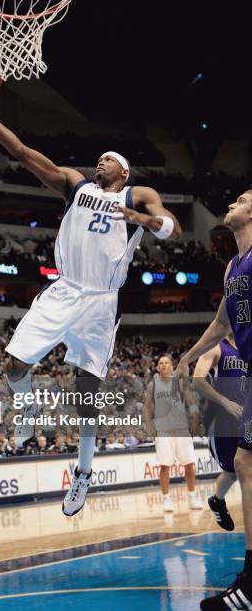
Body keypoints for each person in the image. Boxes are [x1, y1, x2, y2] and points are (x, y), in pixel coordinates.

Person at [0, 84, 182, 517]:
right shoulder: (74, 185)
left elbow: (170, 224)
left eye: (109, 159)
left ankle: (83, 472)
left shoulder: (135, 195)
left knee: (86, 393)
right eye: (99, 158)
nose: (100, 161)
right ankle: (28, 413)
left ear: (124, 172)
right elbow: (23, 152)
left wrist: (144, 219)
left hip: (101, 301)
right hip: (65, 289)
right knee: (12, 366)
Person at [176, 191, 252, 609]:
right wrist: (188, 356)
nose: (232, 203)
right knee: (243, 465)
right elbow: (222, 322)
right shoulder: (231, 269)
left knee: (244, 465)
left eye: (241, 199)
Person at [193, 333, 244, 530]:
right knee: (231, 473)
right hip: (222, 420)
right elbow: (198, 379)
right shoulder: (217, 346)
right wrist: (225, 402)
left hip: (245, 419)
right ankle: (217, 501)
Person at [144, 355, 203, 512]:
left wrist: (196, 418)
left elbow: (191, 402)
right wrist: (149, 424)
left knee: (189, 464)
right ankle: (166, 499)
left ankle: (192, 496)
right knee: (165, 466)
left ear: (172, 366)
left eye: (166, 363)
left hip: (182, 429)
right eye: (160, 363)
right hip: (163, 430)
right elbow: (147, 407)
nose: (163, 365)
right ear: (157, 368)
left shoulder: (180, 383)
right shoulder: (153, 385)